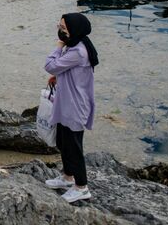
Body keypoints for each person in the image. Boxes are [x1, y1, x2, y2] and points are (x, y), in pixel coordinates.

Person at [43, 12, 99, 204]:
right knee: (63, 142)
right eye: (59, 27)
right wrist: (59, 77)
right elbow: (65, 71)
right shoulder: (75, 45)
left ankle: (82, 187)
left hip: (75, 107)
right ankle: (68, 177)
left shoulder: (77, 51)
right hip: (66, 103)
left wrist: (58, 46)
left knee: (74, 148)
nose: (60, 31)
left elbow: (50, 65)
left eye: (64, 29)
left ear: (74, 30)